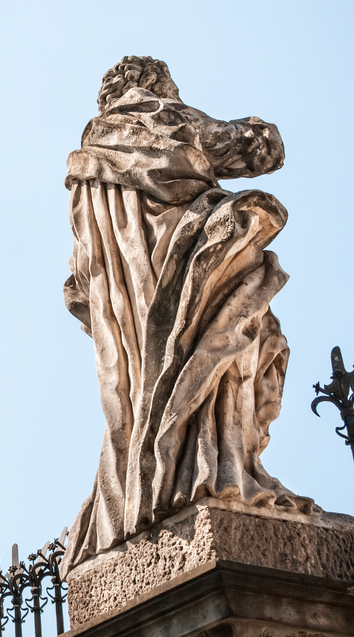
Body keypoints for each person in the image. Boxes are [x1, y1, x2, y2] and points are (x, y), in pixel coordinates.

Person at [61, 56, 315, 575]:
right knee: (222, 357)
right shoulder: (161, 119)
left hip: (126, 327)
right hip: (189, 289)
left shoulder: (84, 168)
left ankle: (143, 492)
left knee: (136, 405)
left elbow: (78, 281)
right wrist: (260, 129)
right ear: (155, 84)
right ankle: (211, 473)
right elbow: (258, 148)